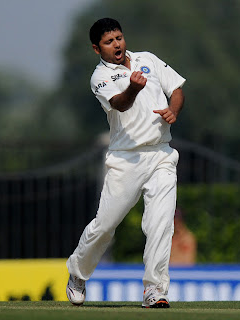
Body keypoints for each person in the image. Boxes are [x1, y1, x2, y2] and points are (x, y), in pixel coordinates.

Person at [66, 18, 186, 308]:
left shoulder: (148, 59)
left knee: (160, 224)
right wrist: (133, 87)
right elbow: (120, 103)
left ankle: (155, 290)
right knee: (105, 226)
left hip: (161, 155)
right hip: (126, 158)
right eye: (109, 42)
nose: (117, 44)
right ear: (97, 48)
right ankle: (77, 273)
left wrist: (173, 109)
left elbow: (178, 88)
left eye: (118, 37)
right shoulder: (99, 77)